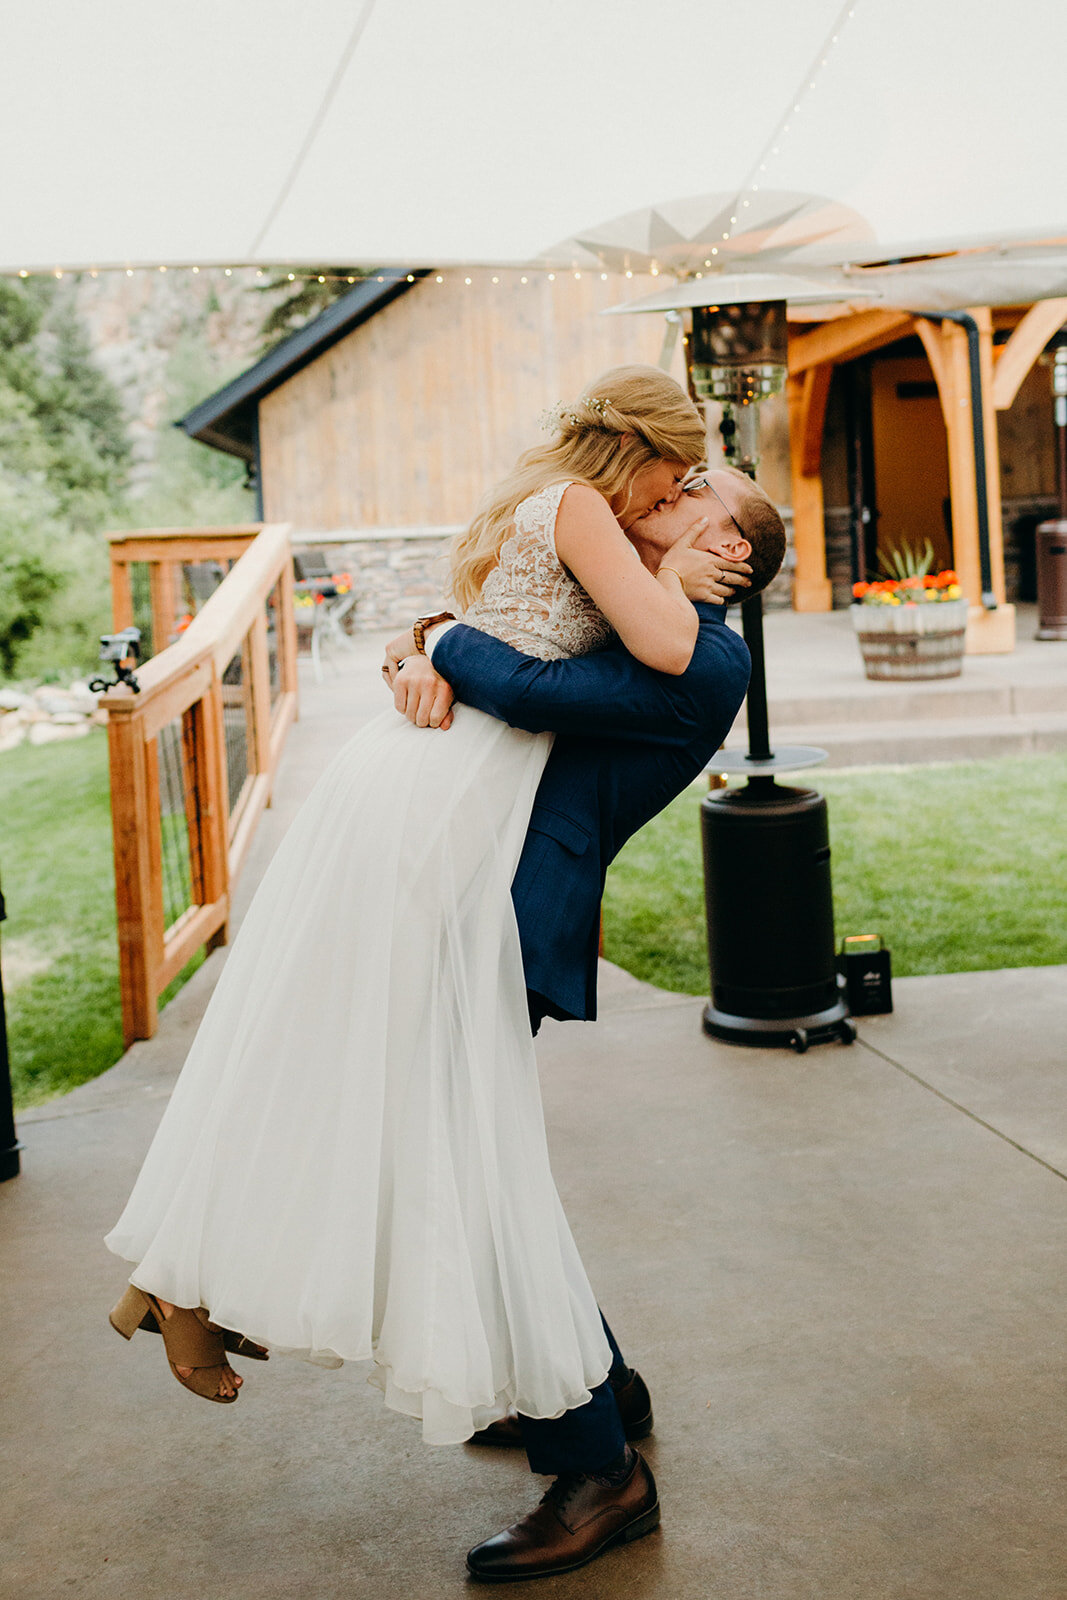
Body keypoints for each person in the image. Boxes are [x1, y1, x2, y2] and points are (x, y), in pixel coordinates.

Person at [104, 366, 732, 1433]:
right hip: (443, 786)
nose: (686, 502)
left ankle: (187, 1279)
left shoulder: (561, 505)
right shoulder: (584, 508)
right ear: (642, 457)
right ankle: (185, 1280)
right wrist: (669, 564)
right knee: (366, 1062)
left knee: (343, 1055)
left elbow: (523, 630)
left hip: (440, 777)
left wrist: (428, 636)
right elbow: (661, 644)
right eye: (681, 482)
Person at [384, 463, 786, 1581]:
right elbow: (515, 635)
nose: (677, 485)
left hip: (517, 921)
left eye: (703, 488)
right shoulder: (646, 620)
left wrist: (439, 642)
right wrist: (411, 640)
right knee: (474, 1162)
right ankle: (600, 1387)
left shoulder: (706, 659)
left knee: (481, 1172)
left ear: (728, 548)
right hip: (479, 903)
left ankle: (600, 1468)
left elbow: (520, 682)